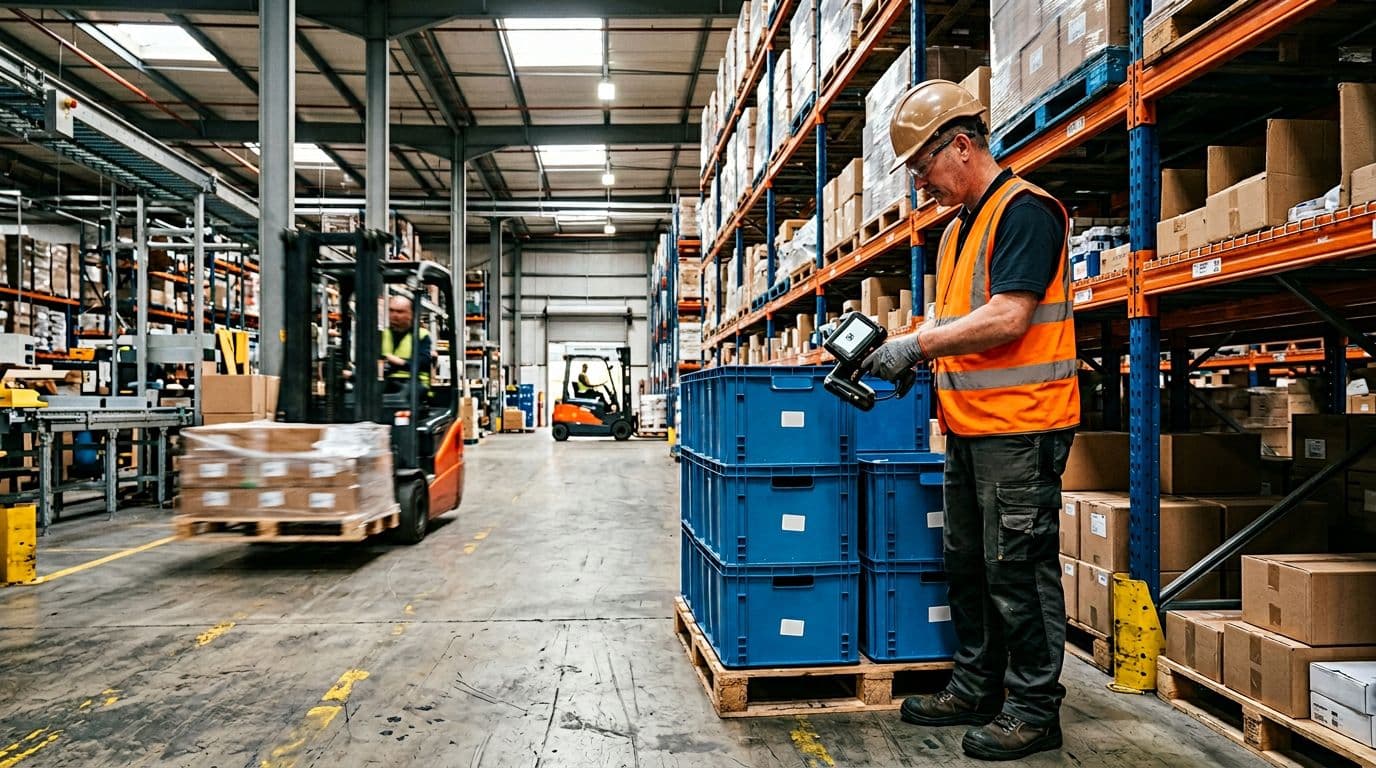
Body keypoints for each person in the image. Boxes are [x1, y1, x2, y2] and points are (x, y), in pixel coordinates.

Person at [861, 79, 1079, 762]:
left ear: (962, 145)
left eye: (924, 167)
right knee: (969, 566)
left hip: (1023, 426)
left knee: (1018, 569)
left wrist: (916, 345)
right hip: (968, 427)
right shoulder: (958, 231)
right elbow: (954, 322)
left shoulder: (1026, 212)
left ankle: (1036, 708)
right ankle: (978, 686)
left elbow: (1010, 316)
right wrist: (899, 352)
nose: (922, 184)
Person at [382, 295, 431, 395]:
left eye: (400, 312)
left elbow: (424, 363)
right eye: (391, 311)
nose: (394, 315)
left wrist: (399, 362)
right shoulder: (383, 334)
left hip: (414, 383)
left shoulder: (421, 335)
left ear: (411, 314)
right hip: (387, 382)